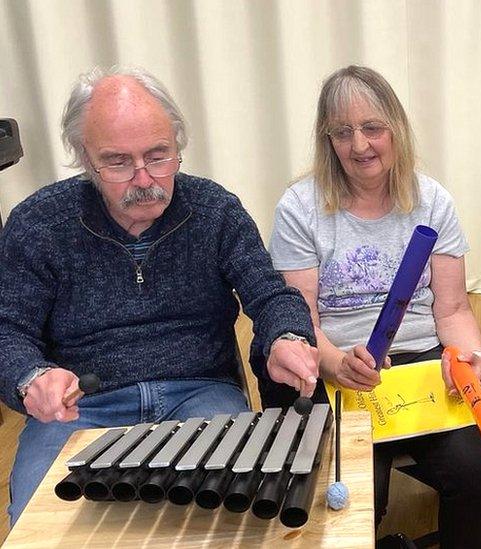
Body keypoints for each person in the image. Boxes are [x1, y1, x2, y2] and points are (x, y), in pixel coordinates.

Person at [0, 66, 320, 525]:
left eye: (159, 155)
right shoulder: (39, 225)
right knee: (42, 523)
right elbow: (8, 328)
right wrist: (31, 377)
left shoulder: (215, 211)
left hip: (200, 395)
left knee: (231, 518)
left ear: (178, 145)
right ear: (84, 157)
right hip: (83, 406)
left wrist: (285, 337)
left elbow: (271, 296)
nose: (144, 177)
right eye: (117, 162)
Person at [263, 65, 481, 548]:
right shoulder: (299, 208)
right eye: (343, 132)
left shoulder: (432, 200)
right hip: (337, 367)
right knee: (351, 496)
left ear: (396, 128)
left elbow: (453, 309)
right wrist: (334, 362)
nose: (359, 145)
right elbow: (302, 319)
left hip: (420, 367)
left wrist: (471, 359)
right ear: (326, 139)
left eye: (372, 127)